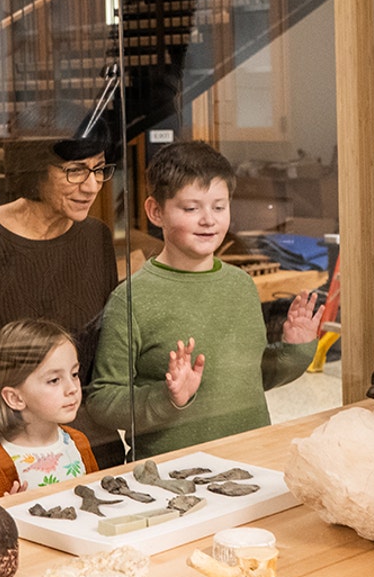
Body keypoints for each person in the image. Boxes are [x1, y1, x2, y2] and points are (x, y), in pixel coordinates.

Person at [85, 141, 322, 458]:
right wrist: (168, 398)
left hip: (251, 460)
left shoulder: (240, 285)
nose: (208, 220)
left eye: (219, 207)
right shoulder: (131, 298)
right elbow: (102, 400)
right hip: (171, 473)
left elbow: (250, 379)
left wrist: (296, 350)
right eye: (191, 208)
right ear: (156, 212)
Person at [0, 100, 120, 485]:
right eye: (75, 171)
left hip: (79, 446)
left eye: (99, 169)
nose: (92, 185)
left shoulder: (96, 239)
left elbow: (100, 357)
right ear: (36, 167)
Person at [0, 319, 100, 499]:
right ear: (15, 398)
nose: (72, 388)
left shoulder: (79, 442)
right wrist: (7, 512)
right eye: (54, 380)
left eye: (74, 374)